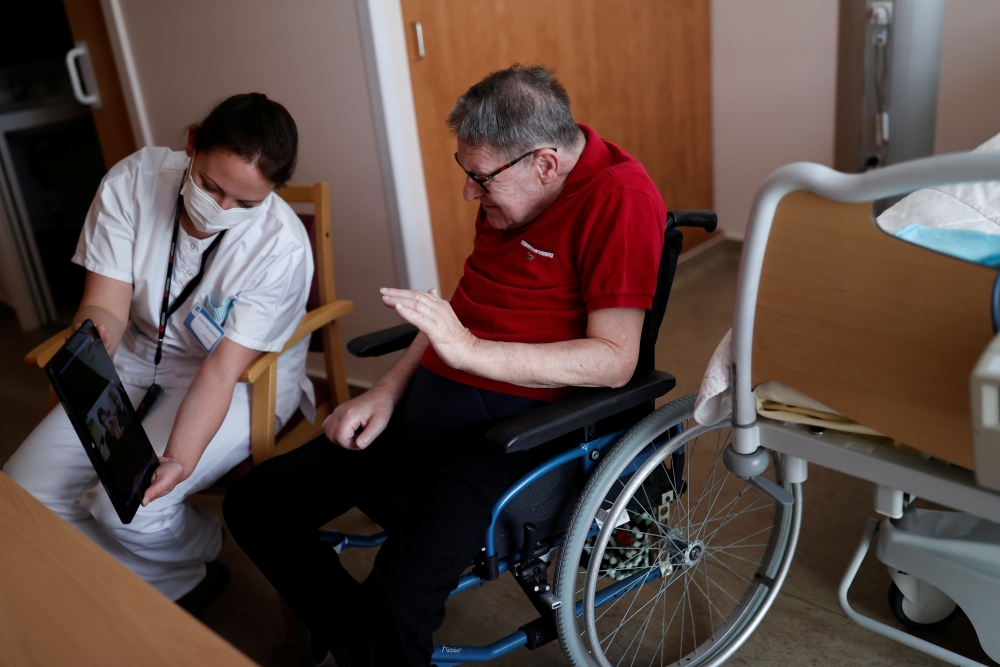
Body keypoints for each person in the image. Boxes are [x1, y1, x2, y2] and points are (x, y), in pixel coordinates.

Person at [223, 64, 666, 667]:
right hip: (425, 409)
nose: (469, 195)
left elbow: (616, 362)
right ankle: (368, 649)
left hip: (510, 436)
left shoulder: (619, 198)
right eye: (468, 174)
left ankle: (376, 645)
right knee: (254, 504)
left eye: (479, 180)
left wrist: (472, 352)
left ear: (544, 163)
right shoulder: (517, 189)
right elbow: (462, 307)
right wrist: (384, 391)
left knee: (398, 607)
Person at [3, 93, 314, 613]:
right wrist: (92, 340)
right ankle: (182, 575)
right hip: (134, 352)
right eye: (212, 187)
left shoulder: (280, 247)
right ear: (192, 143)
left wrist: (180, 459)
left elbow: (219, 371)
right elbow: (105, 306)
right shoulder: (132, 183)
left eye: (246, 204)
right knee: (21, 494)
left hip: (239, 379)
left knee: (127, 506)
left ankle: (185, 552)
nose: (221, 210)